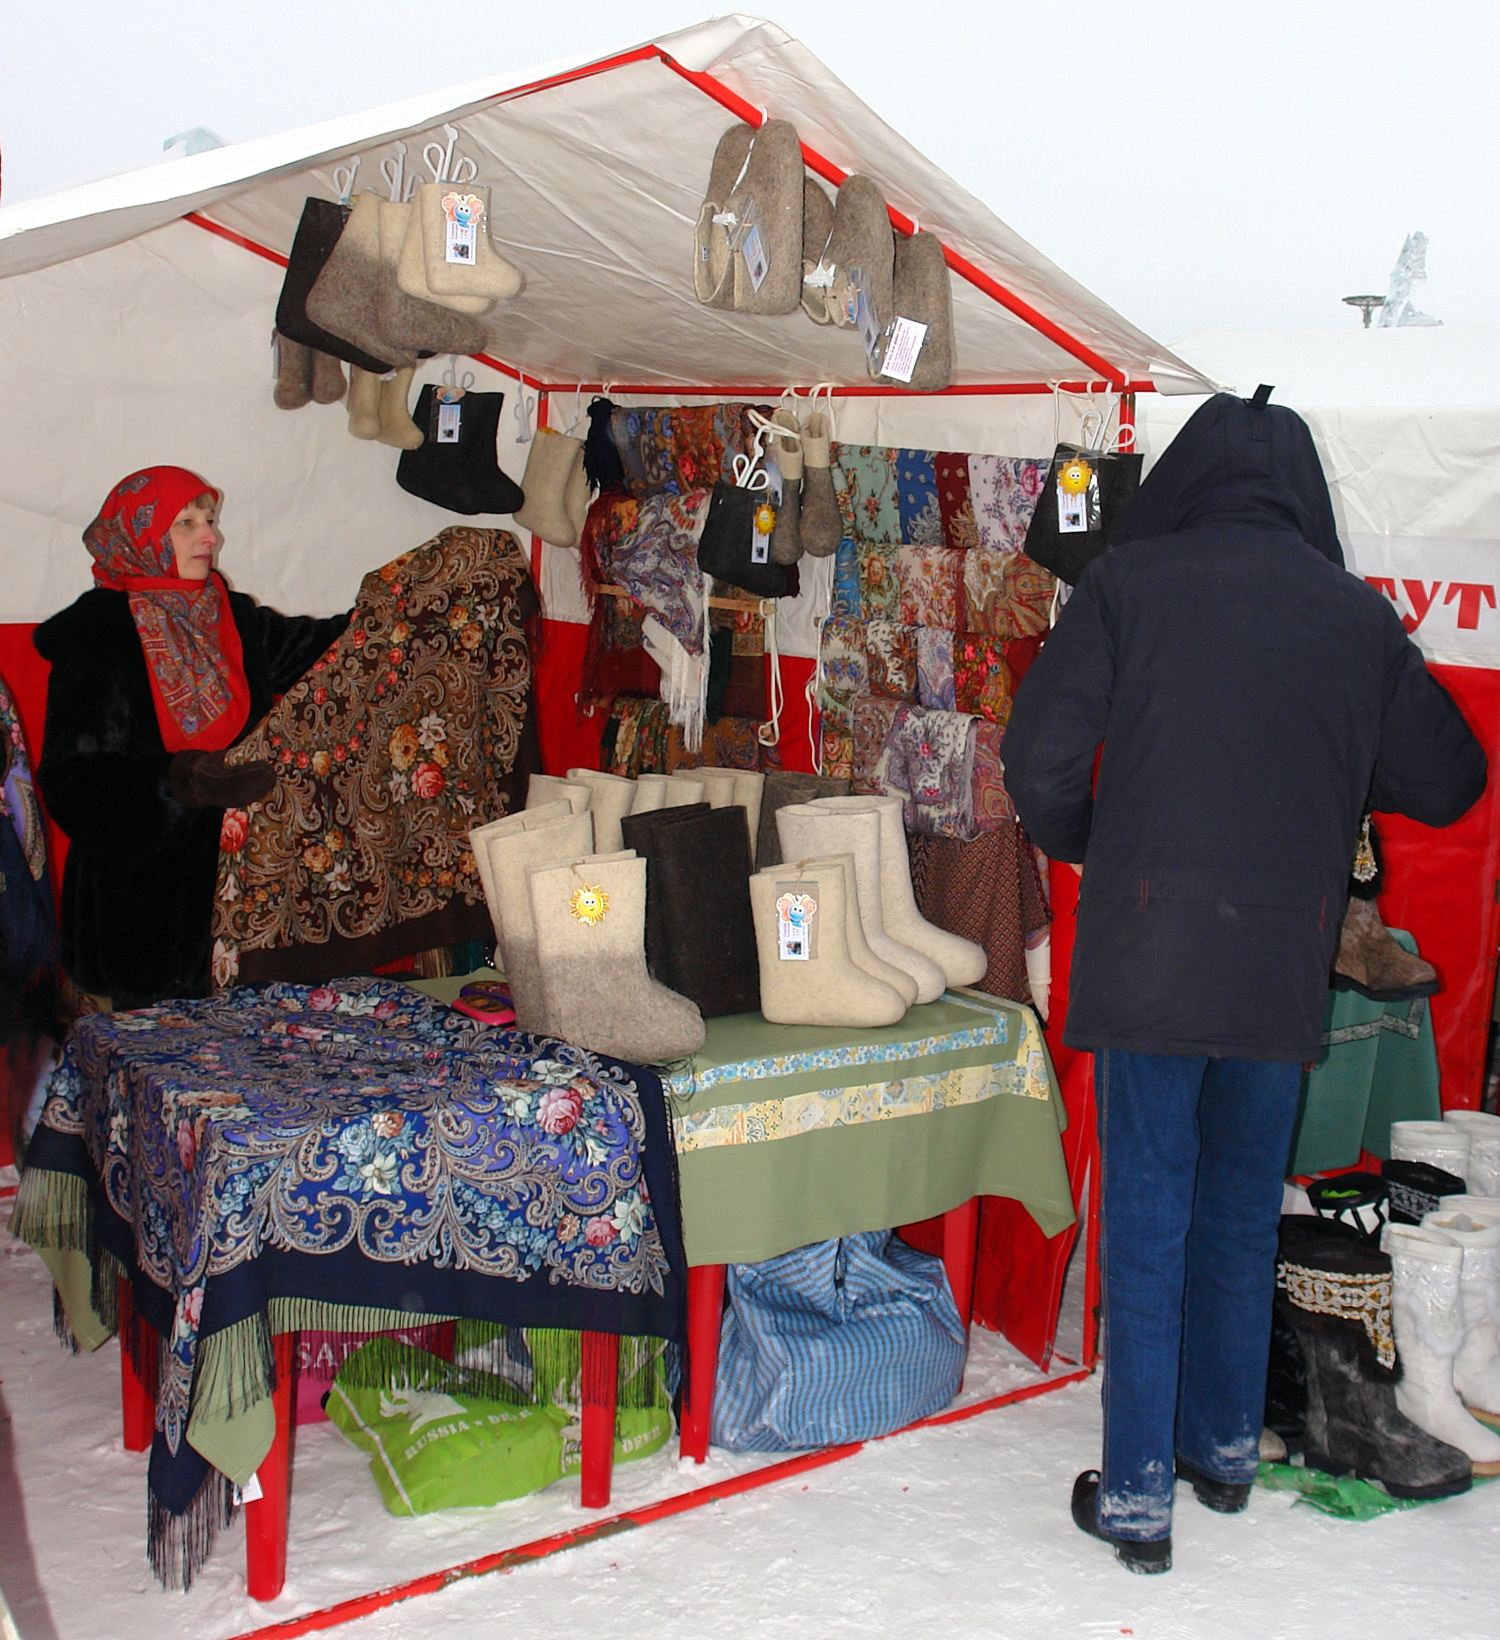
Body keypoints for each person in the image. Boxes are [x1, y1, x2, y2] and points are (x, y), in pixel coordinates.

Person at [1001, 392, 1487, 1574]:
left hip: (1152, 951)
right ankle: (1221, 1449)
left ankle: (1135, 1495)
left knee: (1153, 1219)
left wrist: (1096, 843)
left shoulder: (1128, 585)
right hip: (1277, 966)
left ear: (1187, 479)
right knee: (1233, 1213)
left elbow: (1034, 758)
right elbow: (1453, 777)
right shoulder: (1352, 618)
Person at [34, 466, 349, 1009]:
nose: (210, 536)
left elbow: (320, 652)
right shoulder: (100, 631)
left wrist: (399, 606)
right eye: (186, 523)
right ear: (141, 537)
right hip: (140, 916)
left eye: (209, 519)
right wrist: (182, 783)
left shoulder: (228, 613)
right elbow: (76, 785)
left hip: (236, 905)